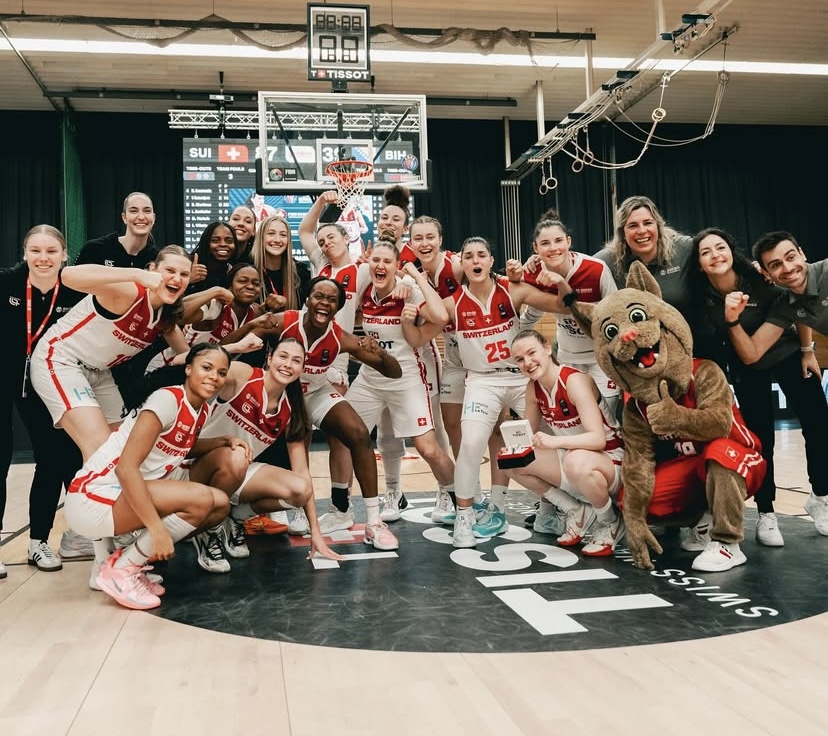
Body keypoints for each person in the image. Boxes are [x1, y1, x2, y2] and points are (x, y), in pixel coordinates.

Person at [220, 277, 404, 549]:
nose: (324, 303)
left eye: (332, 300)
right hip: (282, 394)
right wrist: (252, 326)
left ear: (338, 307)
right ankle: (272, 509)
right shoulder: (283, 321)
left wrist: (381, 354)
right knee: (290, 449)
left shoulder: (340, 337)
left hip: (315, 394)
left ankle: (374, 522)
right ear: (307, 299)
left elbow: (393, 372)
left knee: (359, 434)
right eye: (319, 296)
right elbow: (226, 347)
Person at [64, 343, 237, 610]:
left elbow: (180, 444)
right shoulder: (167, 400)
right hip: (92, 498)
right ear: (188, 369)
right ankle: (123, 570)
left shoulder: (200, 408)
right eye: (207, 367)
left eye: (222, 372)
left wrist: (224, 440)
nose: (214, 376)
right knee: (201, 499)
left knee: (220, 505)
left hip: (119, 496)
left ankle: (127, 563)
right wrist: (156, 529)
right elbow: (126, 468)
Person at [690, 228, 828, 547]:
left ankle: (820, 496)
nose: (715, 255)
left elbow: (798, 304)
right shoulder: (702, 296)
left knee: (819, 423)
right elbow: (749, 352)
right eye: (706, 252)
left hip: (788, 353)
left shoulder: (761, 278)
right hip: (746, 363)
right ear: (698, 264)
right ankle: (766, 513)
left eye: (720, 247)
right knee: (760, 438)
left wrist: (807, 350)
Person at [439, 236, 571, 548]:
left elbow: (564, 303)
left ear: (489, 261)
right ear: (461, 264)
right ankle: (464, 515)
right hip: (482, 381)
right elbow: (418, 327)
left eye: (481, 254)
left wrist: (558, 280)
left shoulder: (512, 290)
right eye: (468, 255)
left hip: (521, 377)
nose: (475, 260)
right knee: (470, 443)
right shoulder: (451, 303)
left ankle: (551, 510)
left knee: (545, 442)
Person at [186, 337, 343, 572]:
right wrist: (236, 347)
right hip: (194, 465)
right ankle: (210, 530)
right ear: (269, 358)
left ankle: (234, 517)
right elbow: (202, 365)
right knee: (237, 455)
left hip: (235, 471)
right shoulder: (243, 375)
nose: (288, 364)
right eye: (283, 356)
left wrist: (316, 534)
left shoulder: (291, 409)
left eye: (296, 360)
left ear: (302, 369)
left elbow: (302, 472)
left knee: (300, 490)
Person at [347, 237, 455, 522]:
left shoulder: (408, 292)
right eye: (376, 260)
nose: (380, 266)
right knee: (343, 436)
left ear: (397, 267)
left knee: (428, 448)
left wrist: (416, 282)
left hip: (406, 377)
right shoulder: (364, 290)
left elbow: (441, 317)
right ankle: (342, 508)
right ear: (368, 263)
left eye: (387, 262)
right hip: (370, 378)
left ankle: (457, 496)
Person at [0, 225, 85, 575]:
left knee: (53, 458)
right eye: (36, 250)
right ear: (25, 253)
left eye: (51, 251)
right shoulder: (7, 282)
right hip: (5, 376)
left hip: (44, 383)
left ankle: (39, 542)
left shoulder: (76, 289)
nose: (43, 258)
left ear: (64, 254)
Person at [504, 330, 625, 555]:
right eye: (520, 359)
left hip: (611, 460)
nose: (527, 363)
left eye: (532, 353)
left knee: (574, 460)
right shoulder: (533, 388)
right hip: (575, 457)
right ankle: (575, 510)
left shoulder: (574, 381)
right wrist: (514, 444)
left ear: (548, 349)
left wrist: (553, 441)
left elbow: (598, 439)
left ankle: (610, 521)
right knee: (512, 462)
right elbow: (527, 435)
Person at [520, 213, 620, 414]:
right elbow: (532, 315)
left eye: (558, 241)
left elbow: (616, 312)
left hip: (601, 358)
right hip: (568, 358)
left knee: (606, 416)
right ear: (535, 248)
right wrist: (510, 339)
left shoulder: (595, 269)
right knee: (576, 415)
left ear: (569, 241)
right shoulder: (534, 274)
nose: (553, 248)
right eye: (545, 243)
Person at [594, 195, 695, 315]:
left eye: (648, 223)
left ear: (658, 227)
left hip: (682, 330)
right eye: (633, 225)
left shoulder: (684, 248)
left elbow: (716, 250)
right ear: (622, 233)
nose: (642, 231)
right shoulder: (605, 261)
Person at [74, 191, 158, 269]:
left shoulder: (158, 259)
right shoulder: (94, 249)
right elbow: (70, 280)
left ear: (153, 218)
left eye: (147, 211)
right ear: (124, 217)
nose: (141, 217)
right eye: (133, 211)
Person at [187, 221, 239, 294]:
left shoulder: (234, 271)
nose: (223, 244)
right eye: (215, 240)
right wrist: (188, 279)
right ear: (206, 243)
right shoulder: (189, 265)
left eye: (229, 241)